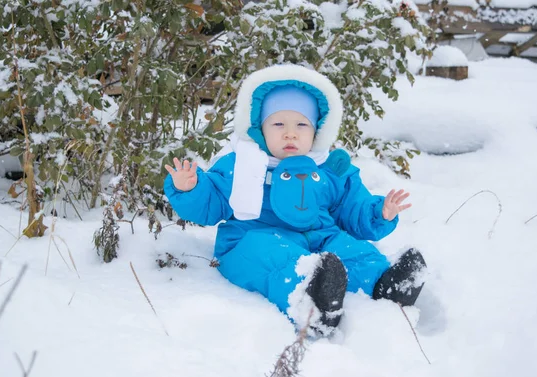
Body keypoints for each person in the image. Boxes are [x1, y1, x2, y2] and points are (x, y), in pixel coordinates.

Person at [163, 64, 426, 336]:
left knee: (350, 249)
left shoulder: (329, 169)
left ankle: (385, 284)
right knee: (269, 254)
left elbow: (352, 208)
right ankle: (310, 297)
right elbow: (212, 201)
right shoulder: (242, 164)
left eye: (301, 124)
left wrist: (379, 212)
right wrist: (191, 188)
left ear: (316, 131)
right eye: (278, 124)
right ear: (260, 129)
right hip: (253, 236)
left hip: (319, 237)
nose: (290, 133)